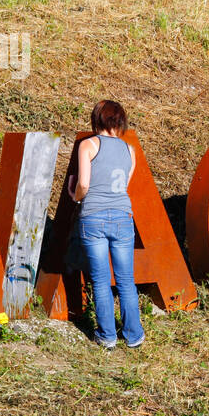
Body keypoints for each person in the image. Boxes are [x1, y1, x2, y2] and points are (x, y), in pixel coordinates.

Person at [67, 100, 145, 349]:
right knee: (125, 280)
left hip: (93, 217)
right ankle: (134, 336)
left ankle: (107, 336)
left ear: (97, 120)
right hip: (123, 216)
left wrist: (74, 196)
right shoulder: (129, 150)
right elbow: (124, 186)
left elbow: (85, 184)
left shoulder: (87, 145)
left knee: (100, 280)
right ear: (120, 122)